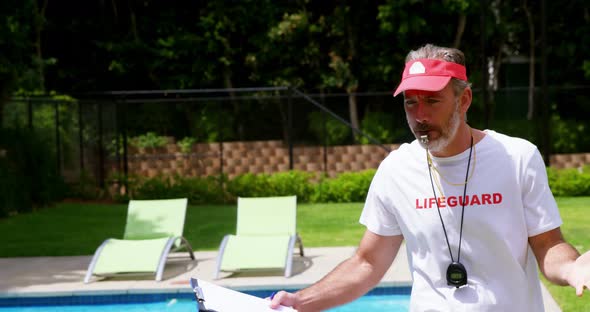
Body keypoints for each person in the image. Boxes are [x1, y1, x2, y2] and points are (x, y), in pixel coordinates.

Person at [270, 44, 590, 311]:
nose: (420, 115)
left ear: (464, 100)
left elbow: (549, 245)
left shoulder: (517, 158)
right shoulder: (396, 170)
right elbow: (367, 262)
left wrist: (573, 268)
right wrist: (300, 301)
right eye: (411, 102)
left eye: (433, 100)